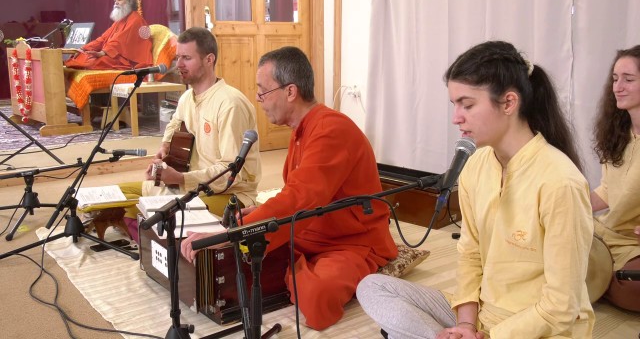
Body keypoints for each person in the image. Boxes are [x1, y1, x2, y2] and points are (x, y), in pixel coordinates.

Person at [356, 41, 595, 338]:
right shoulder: (477, 163)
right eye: (455, 105)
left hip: (538, 327)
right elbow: (469, 253)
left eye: (467, 105)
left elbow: (561, 306)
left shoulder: (560, 182)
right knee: (373, 286)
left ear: (508, 103)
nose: (456, 117)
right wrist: (467, 324)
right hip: (483, 316)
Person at [180, 46, 398, 330]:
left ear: (290, 91)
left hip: (350, 240)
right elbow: (299, 193)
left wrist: (233, 231)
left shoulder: (332, 129)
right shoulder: (302, 130)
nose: (259, 100)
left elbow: (301, 198)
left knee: (317, 297)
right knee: (254, 255)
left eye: (263, 91)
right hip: (310, 231)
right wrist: (255, 215)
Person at [118, 27, 261, 243]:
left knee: (170, 216)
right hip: (191, 185)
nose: (179, 65)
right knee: (118, 196)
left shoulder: (230, 104)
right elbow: (175, 123)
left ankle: (159, 240)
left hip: (229, 194)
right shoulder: (187, 98)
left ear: (209, 59)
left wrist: (181, 178)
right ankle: (155, 238)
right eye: (178, 57)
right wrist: (165, 148)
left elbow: (232, 173)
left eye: (187, 58)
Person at [590, 44, 640, 312]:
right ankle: (596, 278)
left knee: (636, 287)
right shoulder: (617, 135)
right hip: (605, 233)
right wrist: (565, 203)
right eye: (615, 78)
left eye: (628, 80)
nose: (618, 87)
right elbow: (607, 191)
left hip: (635, 247)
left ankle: (590, 280)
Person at [64, 0, 153, 70]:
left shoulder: (136, 19)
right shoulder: (119, 20)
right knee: (82, 56)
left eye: (119, 0)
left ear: (130, 1)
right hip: (111, 54)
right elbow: (102, 39)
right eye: (115, 0)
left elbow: (120, 41)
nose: (116, 3)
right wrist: (83, 49)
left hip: (126, 60)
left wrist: (103, 52)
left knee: (91, 61)